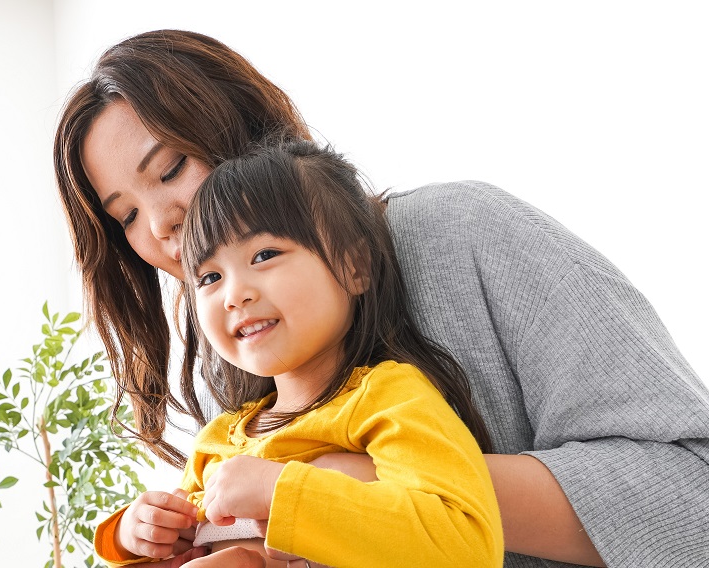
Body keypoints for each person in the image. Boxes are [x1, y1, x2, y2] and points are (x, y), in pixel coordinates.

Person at [54, 30, 709, 568]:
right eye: (126, 216)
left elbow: (693, 493)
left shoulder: (463, 234)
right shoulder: (241, 358)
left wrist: (355, 486)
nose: (161, 225)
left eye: (170, 169)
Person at [94, 140, 502, 567]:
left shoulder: (389, 398)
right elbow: (177, 544)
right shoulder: (217, 440)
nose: (234, 295)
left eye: (264, 255)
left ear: (353, 267)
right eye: (210, 277)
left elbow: (467, 545)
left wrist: (281, 492)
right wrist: (136, 535)